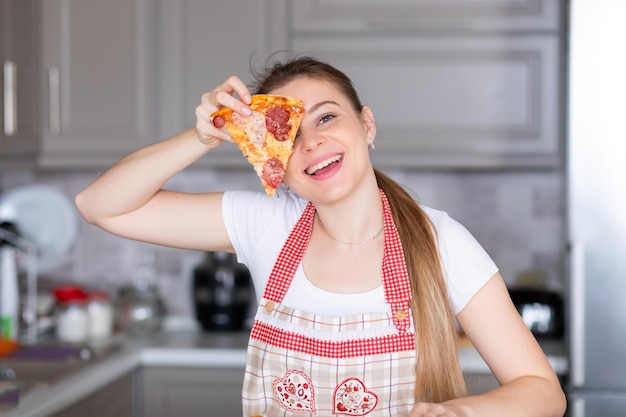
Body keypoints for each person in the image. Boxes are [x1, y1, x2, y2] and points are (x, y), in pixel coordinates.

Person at [75, 56, 566, 417]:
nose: (310, 142)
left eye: (327, 117)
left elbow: (542, 391)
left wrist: (459, 414)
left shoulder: (441, 242)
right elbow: (99, 205)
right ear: (273, 165)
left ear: (366, 123)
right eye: (285, 136)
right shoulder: (265, 225)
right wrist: (201, 137)